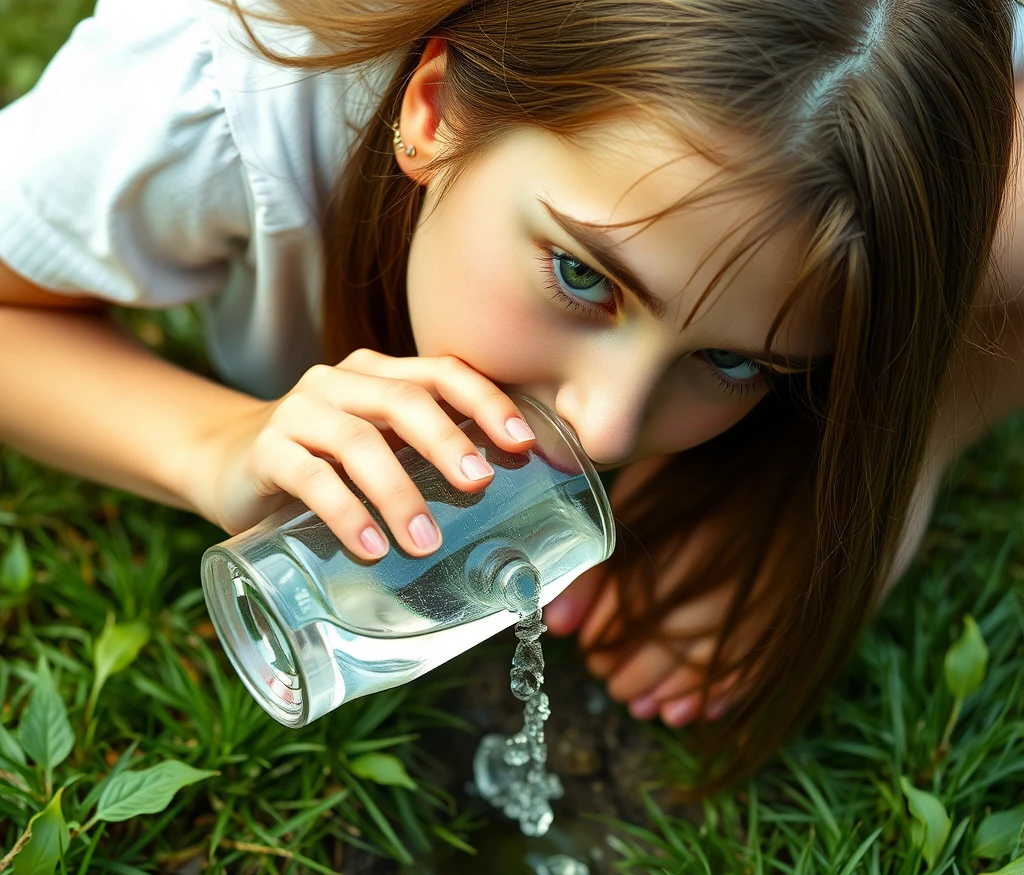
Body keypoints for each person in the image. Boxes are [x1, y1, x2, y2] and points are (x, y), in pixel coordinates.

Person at [0, 0, 1017, 790]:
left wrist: (916, 434)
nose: (607, 424)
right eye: (583, 277)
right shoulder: (238, 79)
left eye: (737, 361)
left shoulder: (953, 180)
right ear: (432, 112)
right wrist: (215, 443)